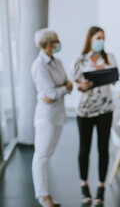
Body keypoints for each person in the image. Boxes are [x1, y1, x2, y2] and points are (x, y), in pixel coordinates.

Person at [71, 26, 118, 205]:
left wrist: (106, 73)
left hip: (105, 109)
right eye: (98, 37)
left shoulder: (109, 57)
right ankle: (84, 185)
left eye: (103, 38)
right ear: (90, 39)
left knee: (103, 148)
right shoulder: (79, 60)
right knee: (84, 148)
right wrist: (80, 86)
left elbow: (114, 78)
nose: (101, 41)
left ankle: (101, 187)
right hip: (85, 111)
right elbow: (75, 83)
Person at [31, 28, 73, 207]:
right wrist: (62, 89)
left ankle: (45, 194)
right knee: (41, 156)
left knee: (48, 154)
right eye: (56, 41)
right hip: (46, 117)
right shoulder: (38, 65)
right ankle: (43, 196)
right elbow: (50, 93)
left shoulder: (58, 62)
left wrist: (60, 90)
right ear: (49, 44)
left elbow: (66, 84)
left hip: (57, 114)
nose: (58, 44)